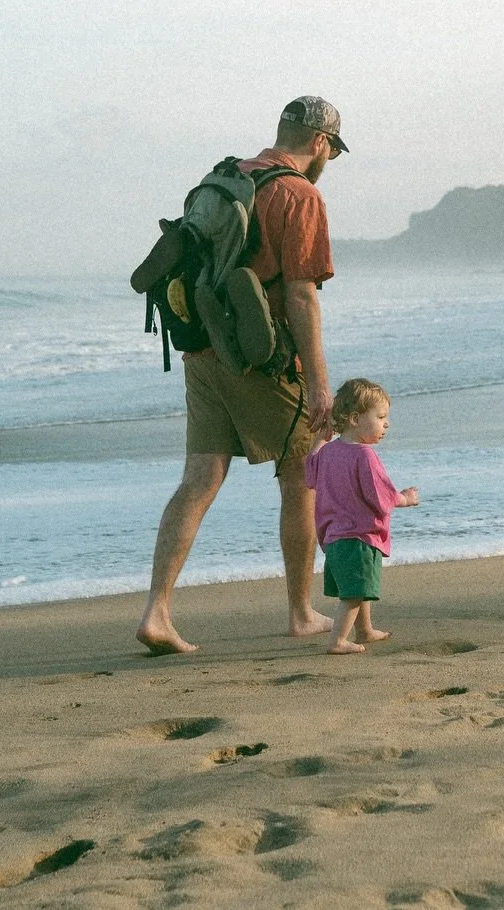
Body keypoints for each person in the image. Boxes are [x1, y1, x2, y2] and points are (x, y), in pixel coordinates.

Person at [136, 95, 347, 654]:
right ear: (320, 143)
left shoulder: (226, 178)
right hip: (261, 359)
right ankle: (301, 612)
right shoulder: (300, 195)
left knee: (199, 480)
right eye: (332, 150)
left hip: (204, 352)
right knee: (300, 475)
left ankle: (157, 611)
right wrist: (321, 385)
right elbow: (301, 296)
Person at [304, 377, 419, 656]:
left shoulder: (330, 452)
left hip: (333, 538)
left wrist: (320, 440)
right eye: (380, 417)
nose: (386, 424)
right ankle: (337, 640)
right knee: (354, 593)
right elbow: (380, 497)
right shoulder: (365, 456)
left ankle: (365, 629)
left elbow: (310, 475)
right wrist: (404, 498)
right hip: (357, 536)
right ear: (355, 419)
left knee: (360, 585)